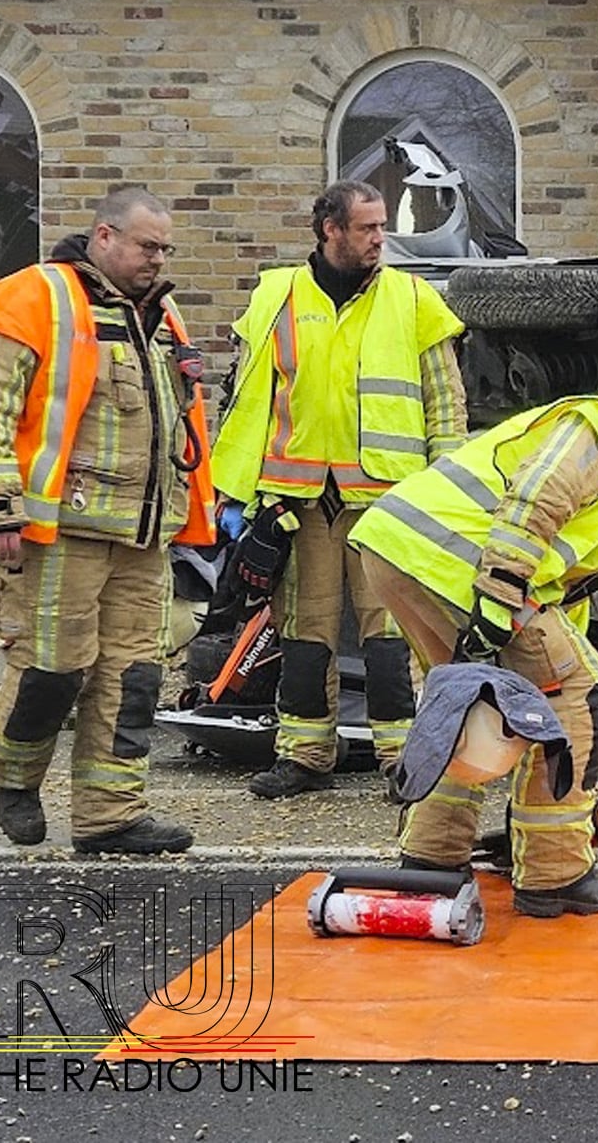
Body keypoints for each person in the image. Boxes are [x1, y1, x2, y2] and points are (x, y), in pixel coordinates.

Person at [348, 395, 598, 917]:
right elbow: (538, 498)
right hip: (460, 564)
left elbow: (561, 615)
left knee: (466, 709)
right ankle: (555, 873)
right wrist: (500, 590)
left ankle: (432, 857)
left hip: (402, 551)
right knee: (577, 694)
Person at [0, 186, 215, 855]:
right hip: (58, 532)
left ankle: (111, 816)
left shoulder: (161, 315)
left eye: (166, 248)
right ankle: (13, 778)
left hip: (142, 535)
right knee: (52, 669)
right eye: (147, 245)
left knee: (132, 680)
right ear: (104, 236)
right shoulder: (36, 295)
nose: (159, 258)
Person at [212, 179, 468, 801]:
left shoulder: (412, 298)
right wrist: (243, 498)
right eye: (368, 228)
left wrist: (449, 496)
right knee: (304, 631)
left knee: (390, 634)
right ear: (330, 229)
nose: (382, 239)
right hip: (297, 499)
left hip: (390, 499)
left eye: (383, 226)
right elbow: (246, 402)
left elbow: (446, 404)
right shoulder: (276, 297)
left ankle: (404, 759)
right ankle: (303, 754)